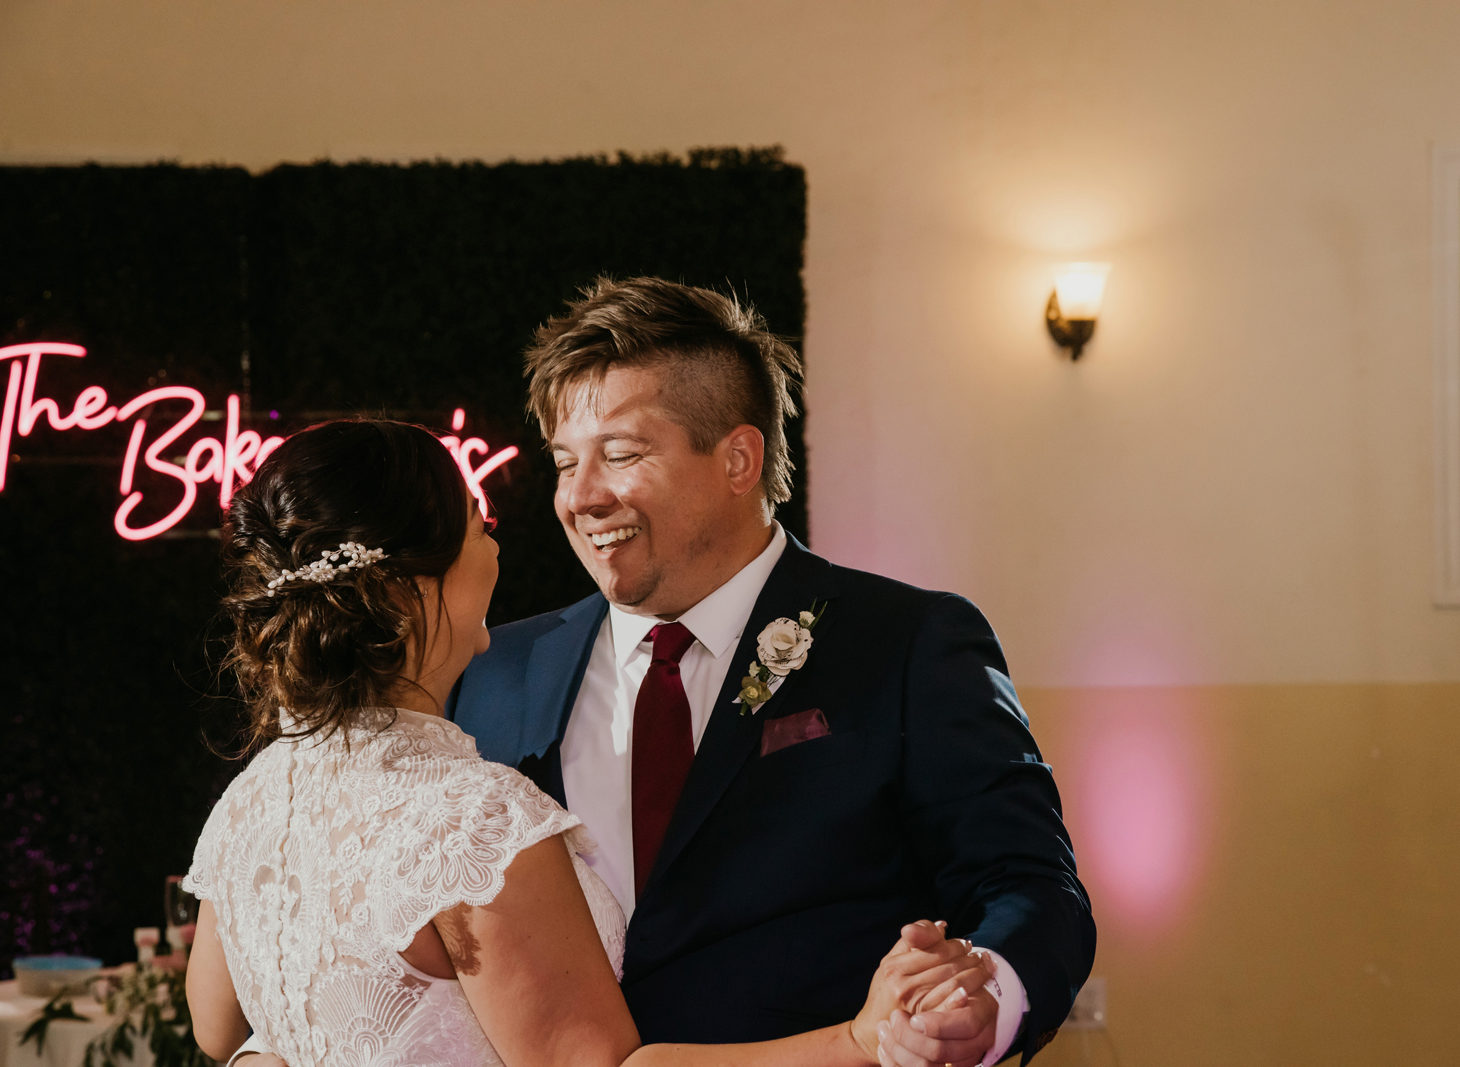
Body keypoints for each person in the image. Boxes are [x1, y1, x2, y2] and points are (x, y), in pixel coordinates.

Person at [183, 418, 991, 1067]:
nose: (497, 541)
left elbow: (222, 1029)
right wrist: (857, 1041)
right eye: (474, 524)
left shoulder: (253, 799)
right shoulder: (472, 821)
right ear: (405, 594)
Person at [449, 277, 1095, 1066]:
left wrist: (984, 995)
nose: (581, 496)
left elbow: (1026, 880)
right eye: (563, 462)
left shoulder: (909, 642)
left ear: (738, 459)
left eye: (621, 454)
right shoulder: (493, 671)